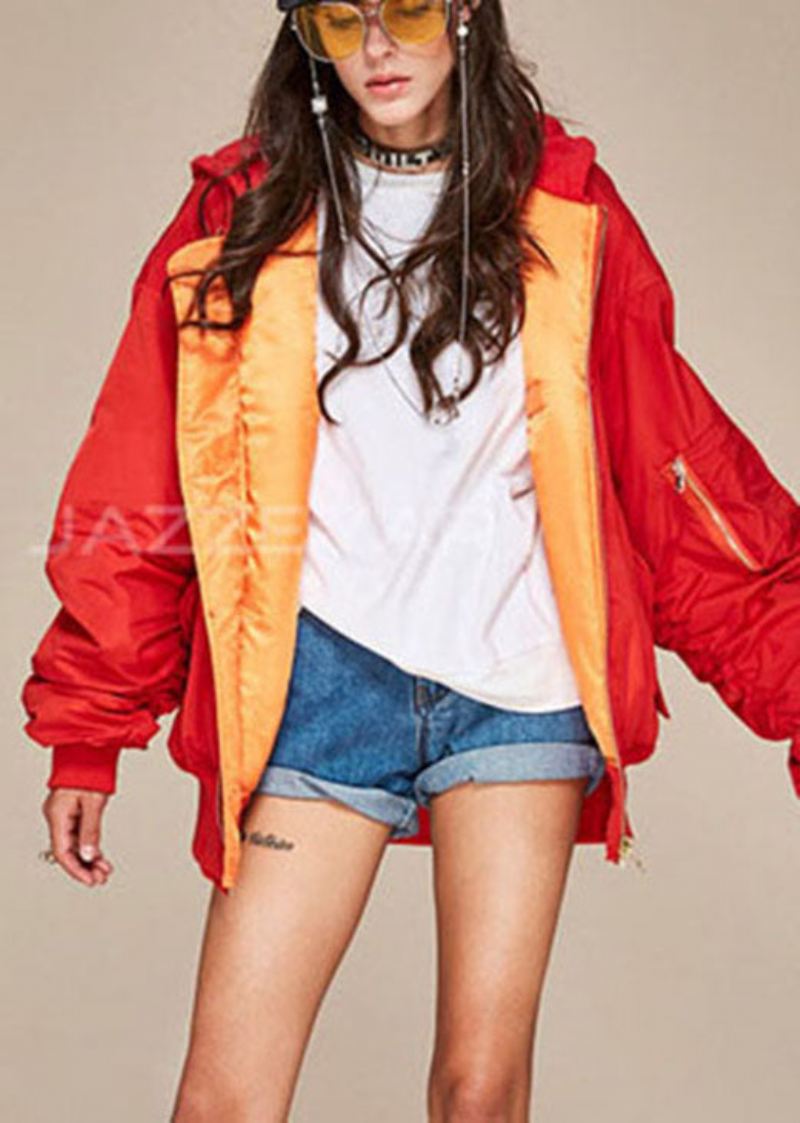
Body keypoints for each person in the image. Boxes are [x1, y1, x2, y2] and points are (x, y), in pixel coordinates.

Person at [21, 1, 800, 1118]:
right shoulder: (240, 211)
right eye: (341, 19)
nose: (377, 47)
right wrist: (88, 730)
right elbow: (138, 474)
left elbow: (673, 470)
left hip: (518, 686)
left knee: (478, 1093)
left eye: (409, 9)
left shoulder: (567, 209)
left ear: (468, 11)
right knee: (225, 1101)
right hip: (318, 679)